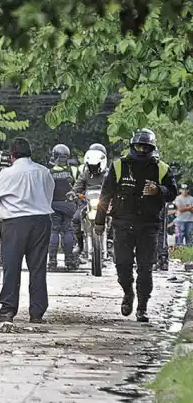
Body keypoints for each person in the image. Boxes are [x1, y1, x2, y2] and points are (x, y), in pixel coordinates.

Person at [94, 129, 177, 322]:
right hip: (122, 224)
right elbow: (105, 195)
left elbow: (172, 192)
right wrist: (99, 221)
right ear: (132, 146)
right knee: (122, 265)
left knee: (145, 268)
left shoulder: (161, 168)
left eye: (146, 147)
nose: (142, 150)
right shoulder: (119, 166)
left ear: (151, 148)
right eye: (139, 146)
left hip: (148, 226)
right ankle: (128, 293)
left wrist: (159, 190)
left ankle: (142, 306)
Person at [0, 137, 54, 329]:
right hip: (41, 221)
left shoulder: (8, 173)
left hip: (15, 223)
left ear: (11, 156)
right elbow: (49, 194)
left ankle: (8, 310)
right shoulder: (43, 171)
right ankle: (37, 312)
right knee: (38, 267)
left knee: (12, 267)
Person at [70, 148, 108, 260]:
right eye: (91, 166)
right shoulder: (85, 174)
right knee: (76, 219)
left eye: (95, 165)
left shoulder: (108, 174)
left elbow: (114, 187)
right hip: (87, 203)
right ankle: (80, 244)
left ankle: (113, 245)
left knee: (116, 219)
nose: (93, 168)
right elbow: (78, 185)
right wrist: (73, 193)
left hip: (105, 203)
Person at [48, 144, 78, 271]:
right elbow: (78, 186)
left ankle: (52, 261)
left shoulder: (49, 172)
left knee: (54, 231)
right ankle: (70, 260)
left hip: (54, 204)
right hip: (69, 205)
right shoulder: (74, 170)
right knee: (68, 231)